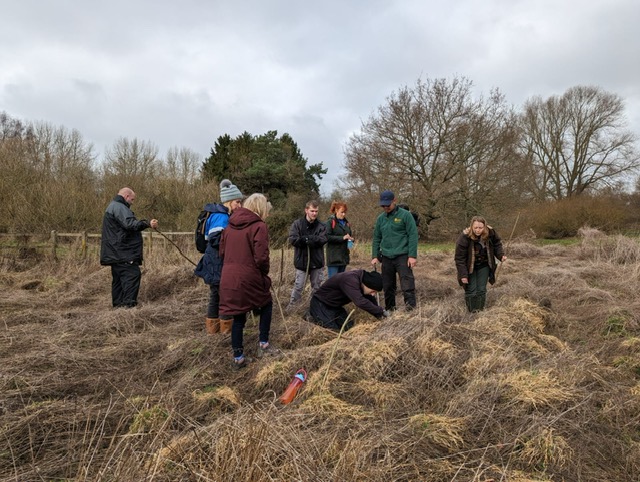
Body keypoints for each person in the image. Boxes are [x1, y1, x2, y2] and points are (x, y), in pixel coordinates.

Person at [219, 193, 277, 368]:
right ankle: (264, 344)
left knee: (238, 315)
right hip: (249, 275)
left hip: (228, 277)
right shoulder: (259, 226)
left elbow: (221, 253)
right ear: (261, 208)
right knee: (266, 304)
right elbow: (261, 257)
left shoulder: (229, 226)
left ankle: (238, 358)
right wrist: (264, 274)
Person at [193, 179, 243, 334]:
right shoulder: (221, 216)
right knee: (225, 296)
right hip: (217, 262)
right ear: (228, 201)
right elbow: (215, 239)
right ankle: (226, 331)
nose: (239, 206)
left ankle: (213, 330)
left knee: (215, 295)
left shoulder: (217, 214)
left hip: (214, 260)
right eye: (237, 202)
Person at [100, 187, 158, 308]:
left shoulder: (112, 206)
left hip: (114, 253)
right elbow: (130, 224)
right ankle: (128, 307)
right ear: (126, 196)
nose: (132, 202)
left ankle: (117, 307)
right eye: (132, 199)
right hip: (123, 252)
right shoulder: (119, 207)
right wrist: (147, 223)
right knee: (132, 276)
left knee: (118, 281)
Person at [371, 190, 419, 311]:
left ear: (394, 201)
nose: (385, 207)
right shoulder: (380, 219)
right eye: (383, 205)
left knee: (407, 284)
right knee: (388, 286)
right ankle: (390, 310)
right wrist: (374, 256)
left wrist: (412, 255)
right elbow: (376, 237)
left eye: (388, 205)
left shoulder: (405, 215)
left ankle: (411, 310)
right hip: (386, 257)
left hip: (402, 255)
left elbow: (413, 235)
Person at [305, 269, 390, 331]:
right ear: (368, 285)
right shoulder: (350, 280)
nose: (373, 294)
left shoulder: (363, 281)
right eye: (373, 291)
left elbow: (370, 300)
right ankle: (311, 317)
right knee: (332, 331)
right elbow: (360, 302)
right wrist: (381, 310)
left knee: (349, 329)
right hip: (321, 304)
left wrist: (380, 316)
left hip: (335, 307)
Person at [454, 215, 507, 312]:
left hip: (485, 265)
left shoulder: (491, 234)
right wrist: (463, 275)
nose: (478, 230)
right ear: (471, 227)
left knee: (481, 290)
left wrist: (501, 255)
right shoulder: (464, 238)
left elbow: (497, 244)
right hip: (469, 267)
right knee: (471, 290)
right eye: (476, 228)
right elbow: (459, 259)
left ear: (485, 227)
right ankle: (471, 312)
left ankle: (480, 311)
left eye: (480, 228)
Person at [287, 200, 328, 309]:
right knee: (299, 286)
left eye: (316, 211)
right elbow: (293, 239)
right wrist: (303, 240)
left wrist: (310, 239)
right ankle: (292, 308)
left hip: (316, 262)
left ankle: (316, 308)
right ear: (306, 210)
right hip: (302, 261)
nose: (314, 213)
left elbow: (323, 239)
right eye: (312, 211)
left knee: (317, 287)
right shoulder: (297, 224)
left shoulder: (321, 226)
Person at [325, 201, 354, 278]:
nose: (344, 214)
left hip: (344, 257)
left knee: (341, 282)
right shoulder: (330, 222)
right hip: (333, 258)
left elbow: (349, 234)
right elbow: (327, 237)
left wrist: (350, 239)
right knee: (333, 283)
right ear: (336, 211)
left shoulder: (346, 223)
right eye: (342, 212)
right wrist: (342, 238)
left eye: (345, 212)